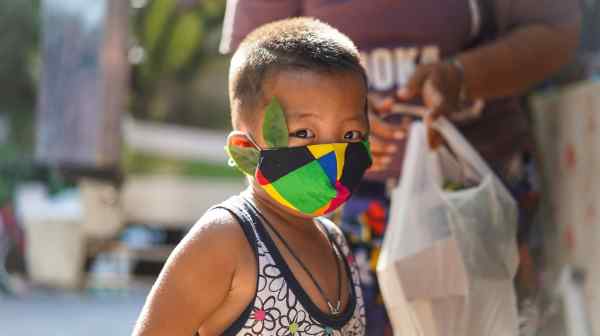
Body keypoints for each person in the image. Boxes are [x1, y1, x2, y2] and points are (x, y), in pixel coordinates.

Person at [220, 1, 581, 335]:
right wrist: (336, 130)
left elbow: (556, 30)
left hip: (475, 203)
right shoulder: (227, 247)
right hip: (340, 216)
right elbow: (252, 79)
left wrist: (462, 77)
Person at [133, 18, 373, 335]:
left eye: (352, 134)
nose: (334, 154)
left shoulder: (336, 241)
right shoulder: (224, 240)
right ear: (245, 148)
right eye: (303, 133)